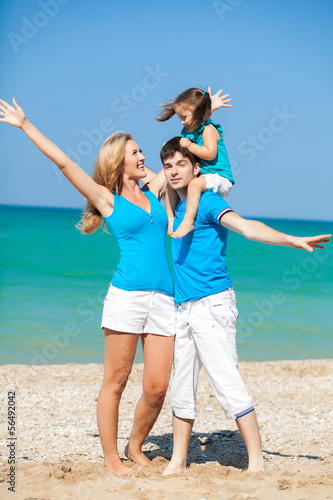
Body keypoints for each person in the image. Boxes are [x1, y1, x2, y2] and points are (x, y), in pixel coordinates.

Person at [0, 97, 176, 477]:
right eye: (135, 152)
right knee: (116, 381)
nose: (143, 156)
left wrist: (202, 117)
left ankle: (135, 444)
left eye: (142, 150)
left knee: (159, 385)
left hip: (164, 298)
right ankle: (112, 457)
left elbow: (185, 158)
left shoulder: (155, 191)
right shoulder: (106, 199)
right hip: (127, 297)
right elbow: (65, 163)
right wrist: (26, 124)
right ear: (119, 160)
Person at [160, 137, 331, 475]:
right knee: (180, 383)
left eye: (181, 164)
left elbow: (247, 228)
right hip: (184, 307)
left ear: (197, 168)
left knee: (225, 381)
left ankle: (256, 462)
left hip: (212, 304)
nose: (174, 171)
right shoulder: (177, 203)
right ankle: (178, 461)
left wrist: (291, 239)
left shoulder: (207, 202)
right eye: (168, 166)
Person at [156, 87, 234, 238]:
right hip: (203, 175)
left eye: (184, 117)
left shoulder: (208, 129)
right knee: (169, 184)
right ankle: (171, 219)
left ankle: (188, 221)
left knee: (194, 184)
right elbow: (184, 148)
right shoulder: (190, 129)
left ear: (198, 113)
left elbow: (210, 154)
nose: (182, 121)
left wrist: (190, 145)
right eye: (180, 118)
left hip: (219, 177)